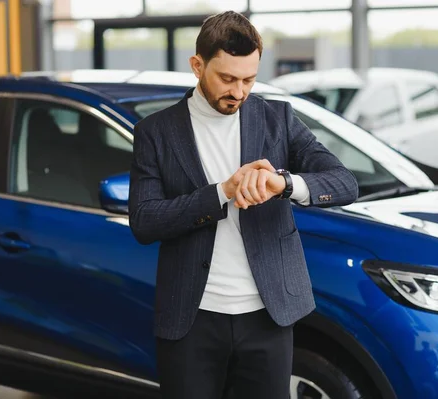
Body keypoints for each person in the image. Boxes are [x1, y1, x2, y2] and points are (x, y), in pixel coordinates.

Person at [128, 10, 358, 399]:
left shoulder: (278, 119)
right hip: (191, 318)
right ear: (197, 66)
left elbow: (344, 183)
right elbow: (145, 221)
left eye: (249, 79)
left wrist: (282, 183)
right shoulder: (156, 132)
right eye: (227, 78)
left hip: (267, 315)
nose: (238, 91)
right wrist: (222, 192)